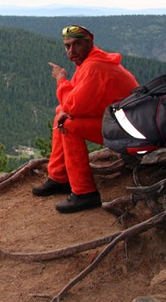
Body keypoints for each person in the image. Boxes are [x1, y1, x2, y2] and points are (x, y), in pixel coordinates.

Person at [33, 25, 139, 213]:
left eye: (77, 45)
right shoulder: (90, 62)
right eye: (67, 46)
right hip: (122, 121)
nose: (71, 51)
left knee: (67, 123)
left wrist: (60, 79)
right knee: (61, 113)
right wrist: (66, 108)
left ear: (89, 43)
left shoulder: (94, 67)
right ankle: (59, 177)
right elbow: (71, 102)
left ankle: (84, 193)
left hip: (128, 130)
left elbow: (74, 105)